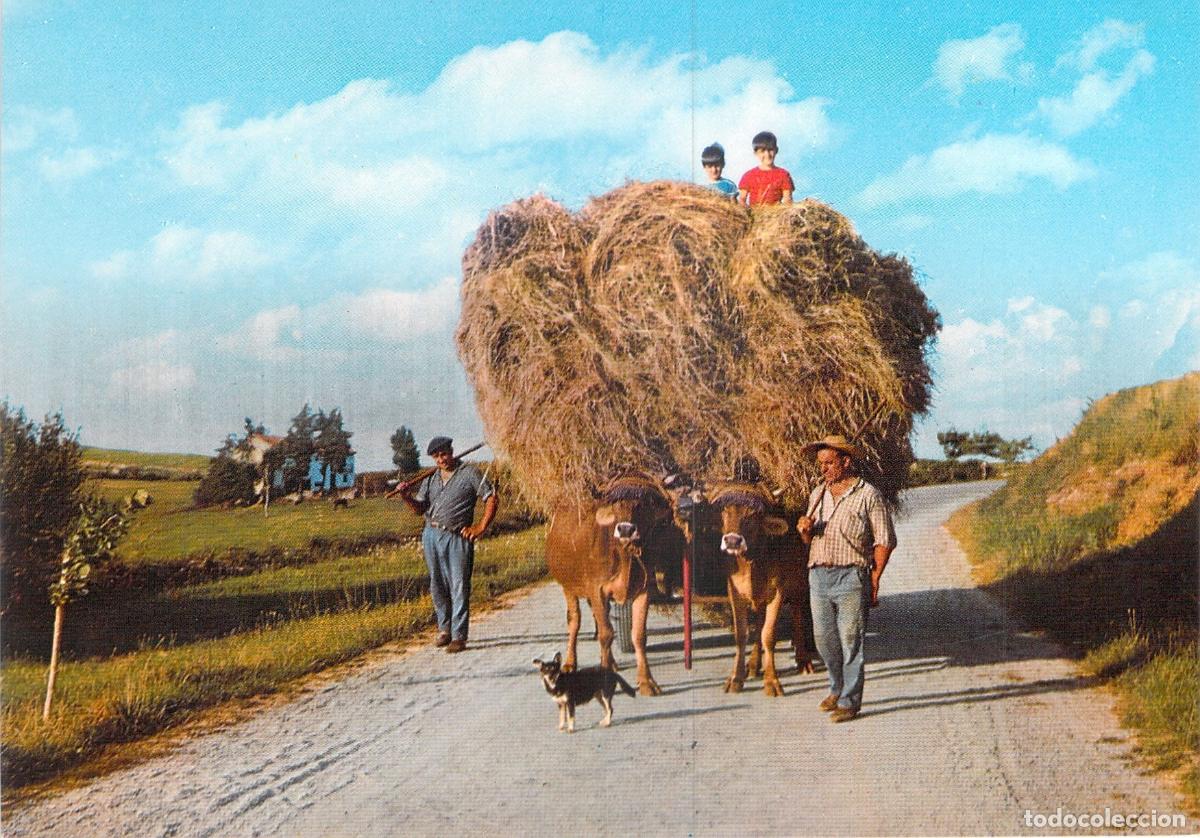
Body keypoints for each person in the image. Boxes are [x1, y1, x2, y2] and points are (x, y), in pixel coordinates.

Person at [797, 435, 895, 722]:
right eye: (821, 464)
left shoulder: (868, 495)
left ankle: (850, 701)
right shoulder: (817, 495)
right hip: (818, 575)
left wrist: (875, 577)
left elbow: (885, 540)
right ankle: (836, 688)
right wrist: (805, 530)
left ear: (846, 461)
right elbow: (808, 539)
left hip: (851, 575)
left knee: (851, 641)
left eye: (829, 463)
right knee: (824, 640)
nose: (823, 469)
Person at [393, 436, 498, 653]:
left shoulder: (469, 473)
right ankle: (444, 630)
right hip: (431, 534)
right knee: (437, 584)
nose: (441, 459)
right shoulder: (430, 478)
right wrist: (406, 497)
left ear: (451, 451)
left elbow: (491, 498)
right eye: (436, 456)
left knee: (458, 585)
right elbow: (420, 509)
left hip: (457, 536)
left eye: (444, 454)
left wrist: (480, 527)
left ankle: (459, 636)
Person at [737, 131, 794, 207]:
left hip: (776, 213)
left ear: (776, 150)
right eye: (762, 151)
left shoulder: (784, 175)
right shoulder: (748, 176)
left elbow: (788, 199)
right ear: (755, 153)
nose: (767, 154)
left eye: (770, 150)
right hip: (754, 212)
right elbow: (742, 199)